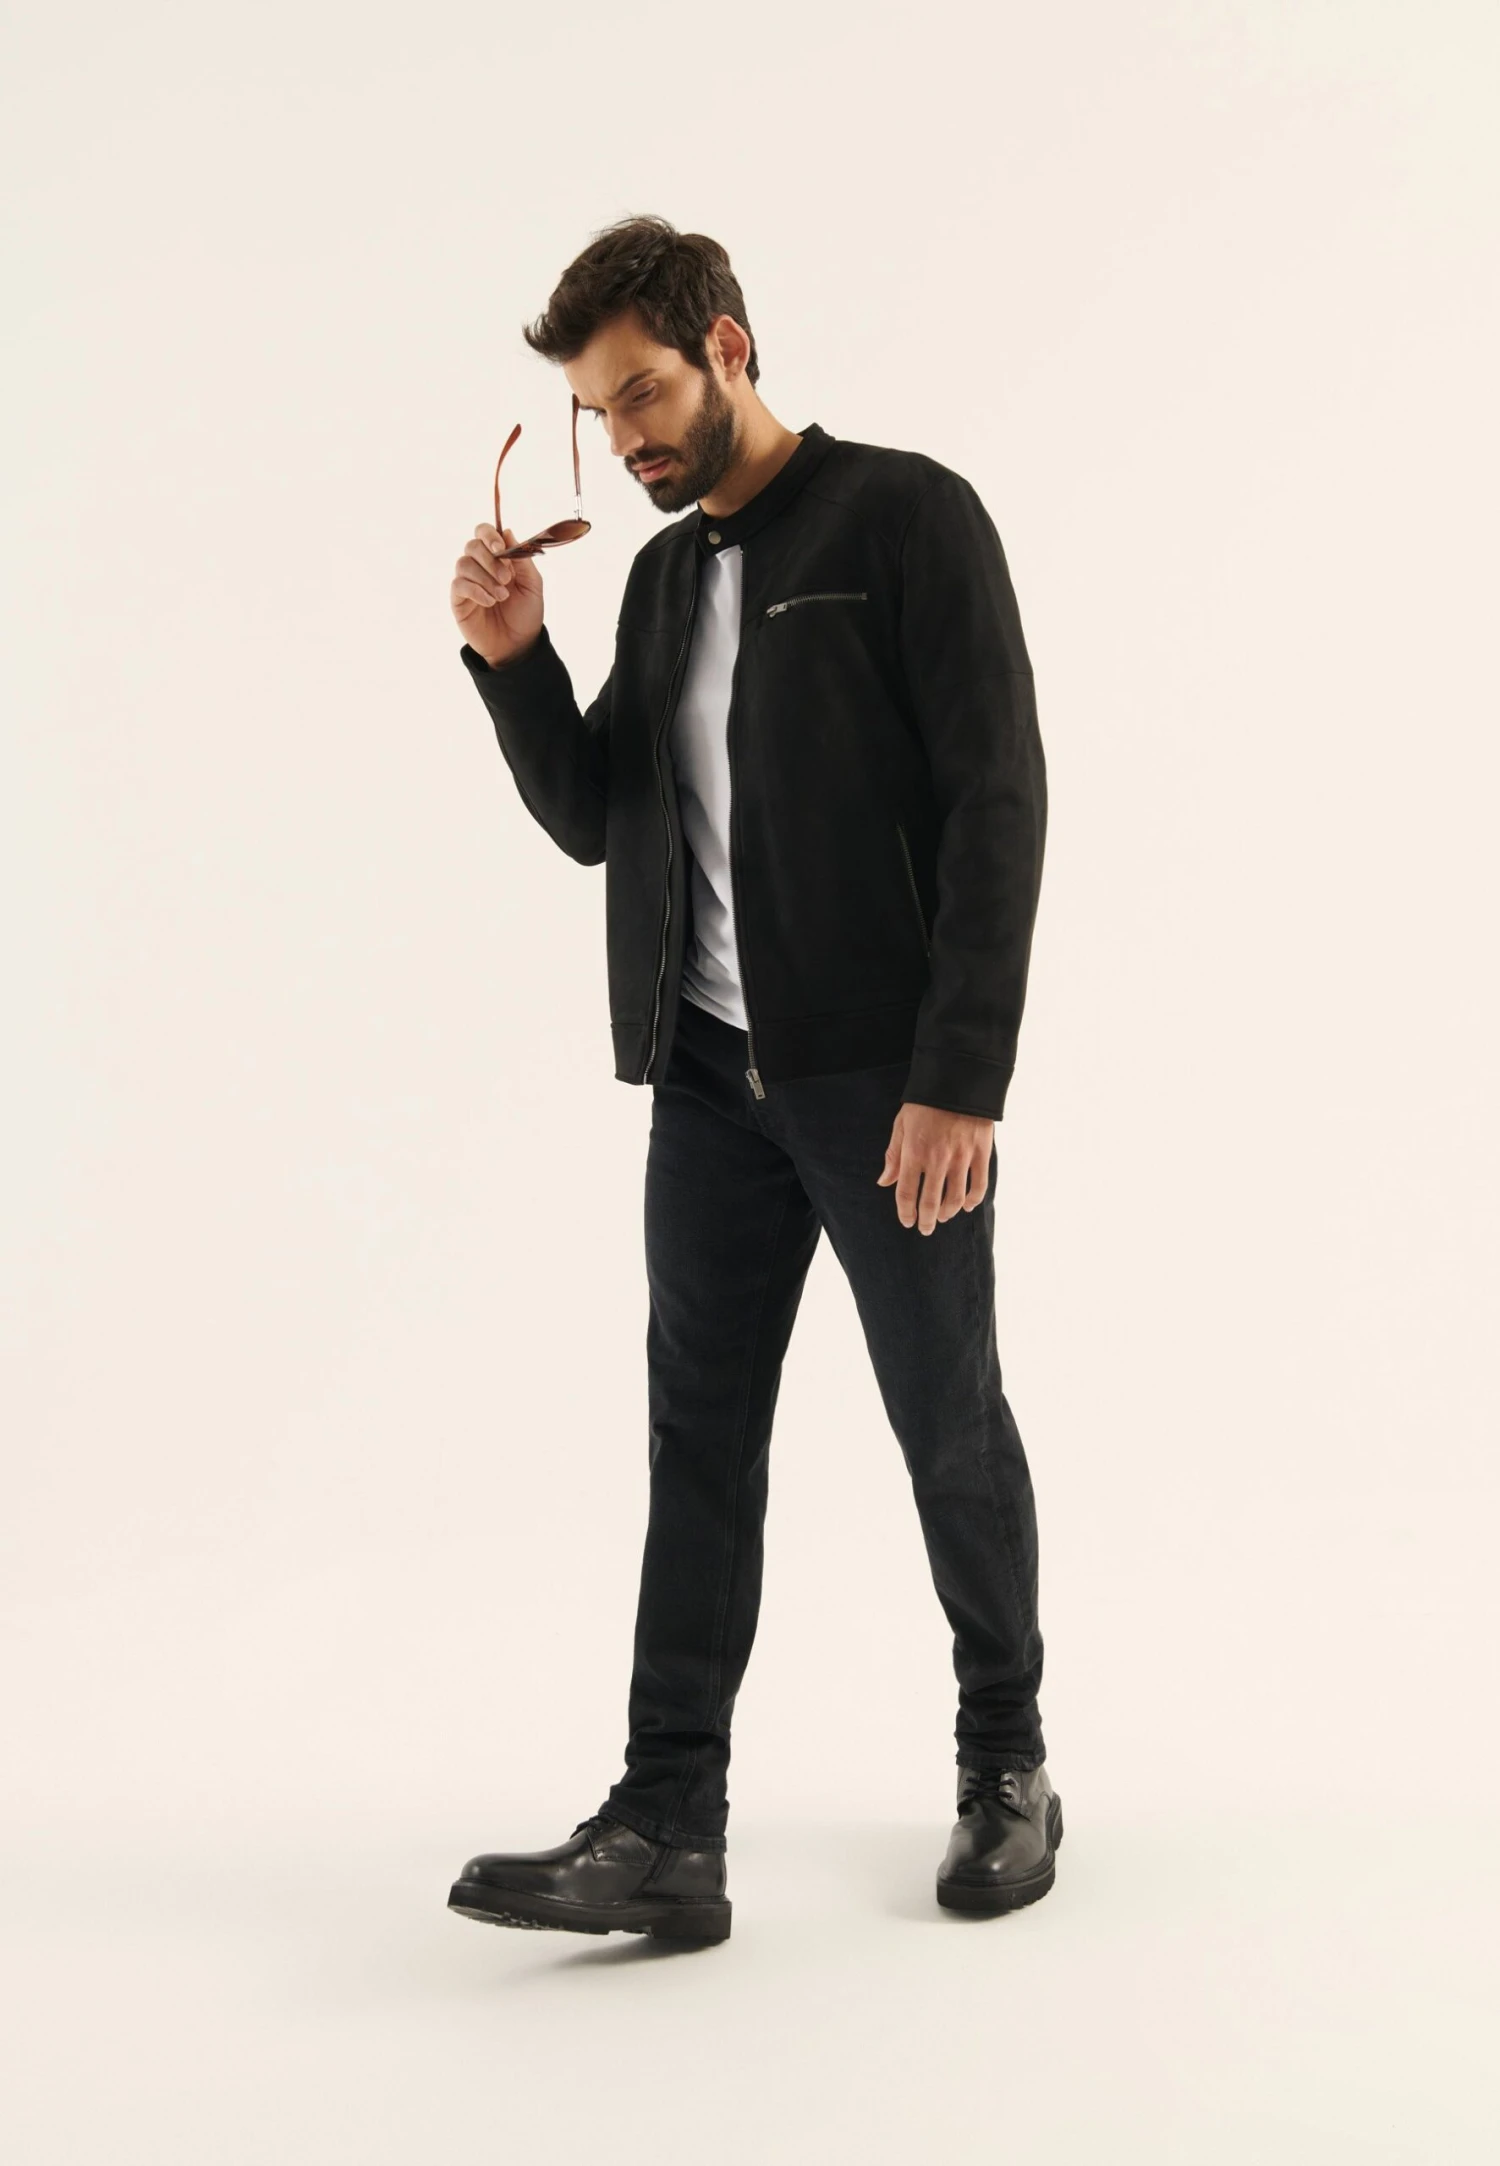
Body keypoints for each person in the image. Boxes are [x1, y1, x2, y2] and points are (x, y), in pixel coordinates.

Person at [444, 215, 1059, 1948]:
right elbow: (603, 821)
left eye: (642, 391)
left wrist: (961, 1074)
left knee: (946, 1417)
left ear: (728, 344)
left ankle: (1007, 1758)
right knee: (697, 1440)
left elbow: (1000, 801)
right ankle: (669, 1824)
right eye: (597, 413)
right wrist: (514, 659)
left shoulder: (906, 519)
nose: (625, 437)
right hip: (711, 1087)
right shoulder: (664, 582)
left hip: (883, 1086)